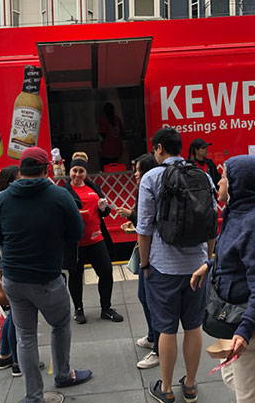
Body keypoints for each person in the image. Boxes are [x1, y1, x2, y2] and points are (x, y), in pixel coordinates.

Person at [0, 147, 92, 403]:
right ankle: (63, 374)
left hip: (13, 279)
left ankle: (33, 396)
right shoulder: (59, 196)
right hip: (48, 278)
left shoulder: (1, 198)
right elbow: (77, 233)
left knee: (25, 336)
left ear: (21, 169)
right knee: (59, 324)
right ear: (47, 169)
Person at [191, 155, 255, 403]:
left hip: (249, 320)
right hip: (234, 316)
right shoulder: (237, 214)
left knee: (250, 395)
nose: (219, 183)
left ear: (238, 183)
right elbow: (235, 256)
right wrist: (209, 266)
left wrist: (245, 330)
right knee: (233, 377)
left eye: (224, 177)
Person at [136, 127, 216, 403]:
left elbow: (144, 227)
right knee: (193, 326)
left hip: (163, 267)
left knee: (166, 329)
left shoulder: (151, 177)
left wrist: (145, 264)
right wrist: (208, 259)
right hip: (196, 265)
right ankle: (191, 385)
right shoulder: (202, 175)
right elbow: (211, 224)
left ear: (159, 148)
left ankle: (167, 389)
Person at [64, 151, 124, 324]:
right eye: (74, 170)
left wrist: (104, 208)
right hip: (76, 243)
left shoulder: (94, 188)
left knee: (106, 272)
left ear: (86, 173)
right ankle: (78, 310)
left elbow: (104, 212)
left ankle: (106, 308)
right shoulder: (64, 191)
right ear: (70, 171)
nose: (77, 174)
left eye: (81, 171)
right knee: (76, 276)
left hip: (96, 239)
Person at [117, 153, 160, 369]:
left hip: (154, 256)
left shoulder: (152, 189)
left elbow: (149, 223)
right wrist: (132, 217)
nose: (135, 174)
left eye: (138, 170)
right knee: (144, 296)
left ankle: (159, 349)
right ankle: (153, 336)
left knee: (152, 299)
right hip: (150, 253)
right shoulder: (144, 189)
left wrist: (144, 263)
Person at [0, 165, 24, 377]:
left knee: (13, 311)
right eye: (20, 178)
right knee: (16, 314)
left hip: (5, 260)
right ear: (11, 181)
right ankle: (18, 362)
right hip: (11, 262)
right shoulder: (7, 198)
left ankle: (4, 355)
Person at [98, 102, 124, 168]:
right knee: (116, 168)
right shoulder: (117, 119)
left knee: (105, 169)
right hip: (117, 150)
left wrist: (99, 146)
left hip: (106, 150)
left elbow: (102, 135)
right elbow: (122, 133)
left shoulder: (104, 120)